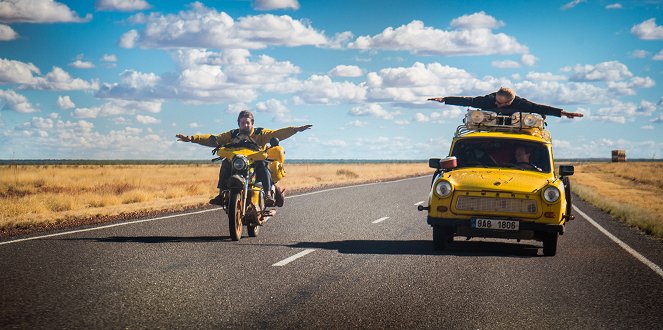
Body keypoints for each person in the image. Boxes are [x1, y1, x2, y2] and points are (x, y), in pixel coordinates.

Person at [176, 110, 312, 205]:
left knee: (263, 166)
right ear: (238, 123)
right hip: (238, 162)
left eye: (248, 123)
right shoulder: (233, 134)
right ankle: (222, 193)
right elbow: (214, 139)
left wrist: (295, 129)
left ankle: (268, 194)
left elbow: (277, 133)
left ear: (252, 123)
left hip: (256, 161)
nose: (245, 125)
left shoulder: (260, 133)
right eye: (242, 123)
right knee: (225, 164)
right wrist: (192, 138)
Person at [428, 87, 584, 118]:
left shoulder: (521, 103)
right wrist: (444, 99)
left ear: (512, 101)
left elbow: (538, 107)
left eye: (504, 104)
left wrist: (563, 113)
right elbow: (467, 100)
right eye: (498, 102)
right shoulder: (488, 99)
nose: (499, 106)